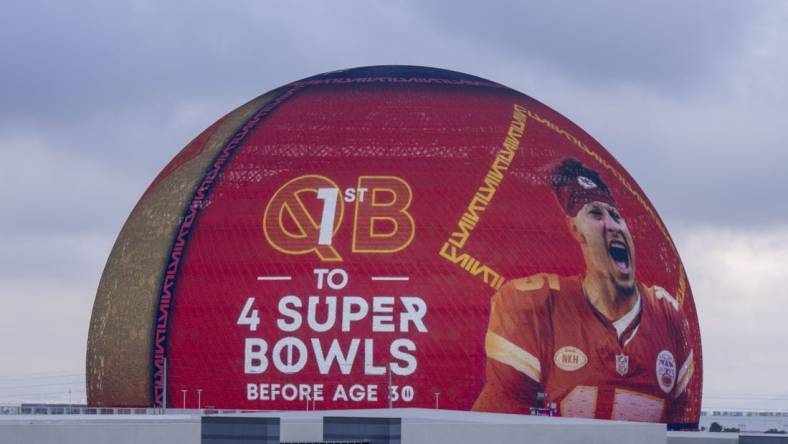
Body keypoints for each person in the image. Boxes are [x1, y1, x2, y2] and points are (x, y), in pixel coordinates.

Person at [472, 158, 696, 426]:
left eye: (615, 216)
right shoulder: (534, 304)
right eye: (596, 214)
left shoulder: (667, 315)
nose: (612, 225)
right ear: (575, 229)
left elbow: (683, 428)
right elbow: (497, 429)